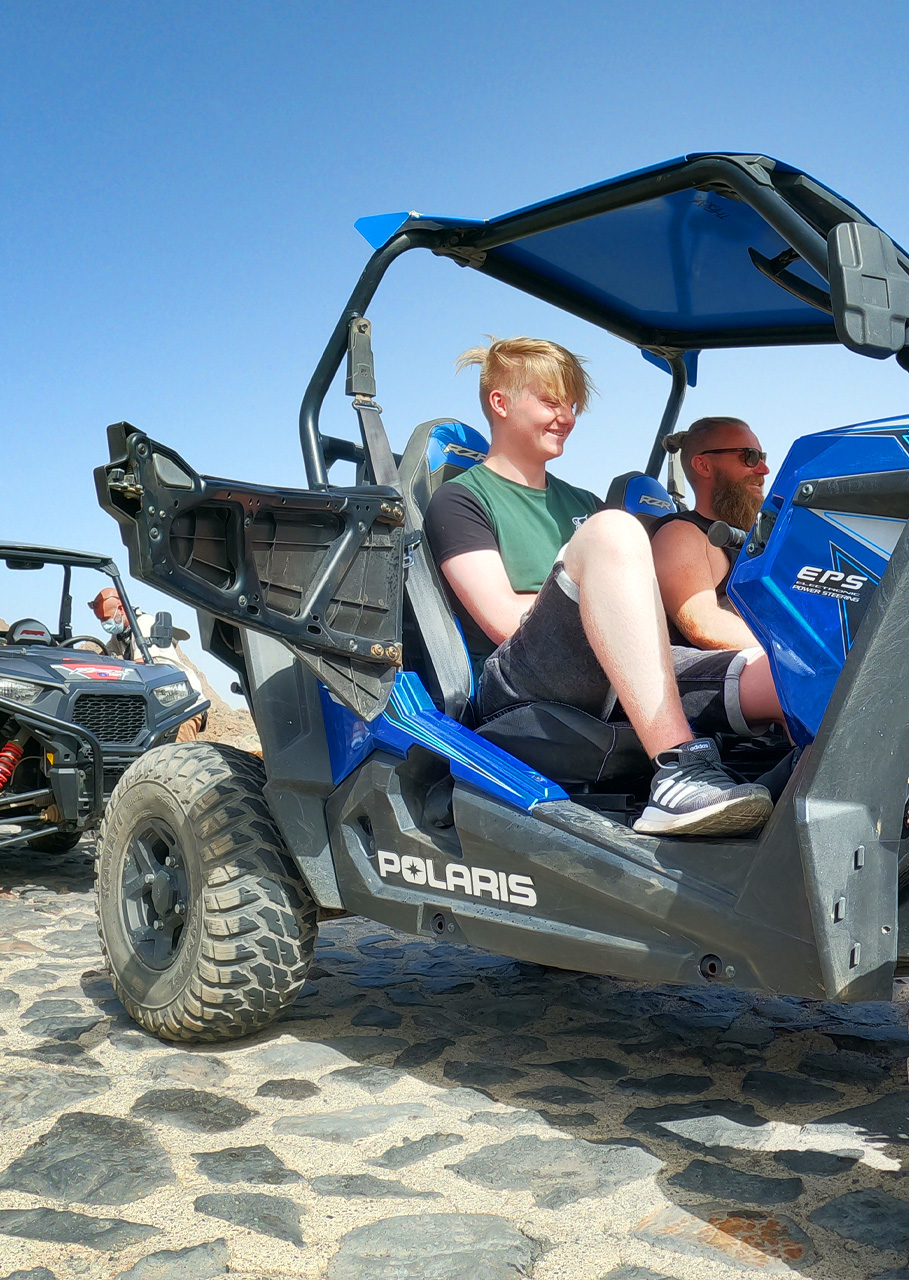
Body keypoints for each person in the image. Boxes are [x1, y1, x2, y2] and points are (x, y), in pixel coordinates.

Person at [424, 337, 778, 837]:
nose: (566, 417)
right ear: (500, 403)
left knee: (779, 672)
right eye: (551, 401)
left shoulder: (582, 501)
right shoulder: (461, 499)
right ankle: (678, 772)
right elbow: (504, 620)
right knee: (614, 530)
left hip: (610, 659)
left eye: (572, 405)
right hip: (520, 679)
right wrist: (605, 592)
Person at [651, 417, 769, 650]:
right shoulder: (681, 534)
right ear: (703, 466)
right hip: (729, 667)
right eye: (749, 456)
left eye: (762, 457)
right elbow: (705, 626)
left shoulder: (760, 540)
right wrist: (795, 651)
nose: (763, 469)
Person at [88, 588, 206, 742]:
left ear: (121, 608)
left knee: (177, 754)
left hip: (182, 706)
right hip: (161, 709)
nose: (104, 624)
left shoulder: (144, 625)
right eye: (101, 620)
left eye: (106, 618)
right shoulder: (120, 635)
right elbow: (103, 657)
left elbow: (141, 668)